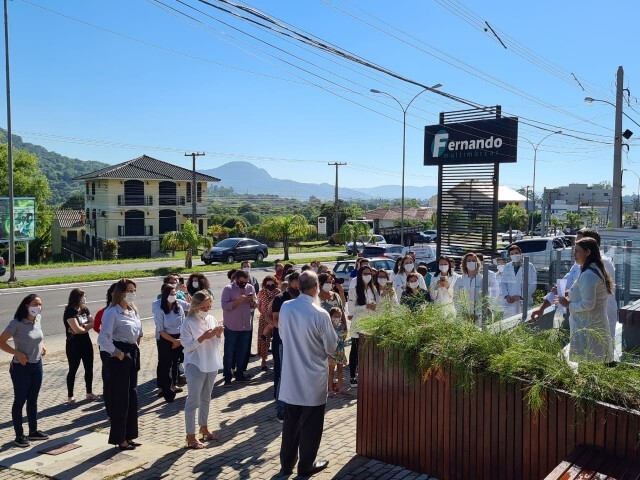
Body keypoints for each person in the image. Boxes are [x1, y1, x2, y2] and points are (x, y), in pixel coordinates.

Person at [278, 270, 338, 476]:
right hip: (312, 377)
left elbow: (283, 335)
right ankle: (306, 465)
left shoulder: (287, 307)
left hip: (291, 375)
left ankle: (286, 465)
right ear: (316, 288)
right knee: (311, 425)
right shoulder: (320, 314)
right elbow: (331, 347)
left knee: (291, 423)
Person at [97, 279, 143, 451]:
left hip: (132, 352)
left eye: (134, 290)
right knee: (120, 399)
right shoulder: (112, 312)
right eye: (129, 290)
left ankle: (129, 436)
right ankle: (119, 438)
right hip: (119, 356)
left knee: (132, 397)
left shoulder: (132, 310)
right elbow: (102, 338)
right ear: (120, 293)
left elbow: (137, 331)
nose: (133, 293)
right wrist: (118, 352)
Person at [0, 294, 49, 448]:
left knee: (33, 399)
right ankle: (19, 435)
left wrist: (43, 345)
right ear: (27, 305)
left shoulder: (38, 318)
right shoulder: (16, 323)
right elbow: (1, 342)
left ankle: (33, 431)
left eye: (40, 304)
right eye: (36, 303)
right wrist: (17, 353)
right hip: (21, 367)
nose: (39, 307)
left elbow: (38, 336)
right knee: (20, 400)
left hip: (37, 364)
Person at [556, 237, 614, 363]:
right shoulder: (593, 269)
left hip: (588, 326)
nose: (574, 255)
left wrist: (568, 304)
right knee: (593, 363)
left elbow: (588, 304)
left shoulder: (588, 274)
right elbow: (585, 292)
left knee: (588, 366)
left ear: (588, 252)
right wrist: (570, 293)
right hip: (592, 324)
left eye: (577, 251)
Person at [180, 291, 224, 449]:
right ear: (196, 306)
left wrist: (218, 335)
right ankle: (190, 436)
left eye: (209, 306)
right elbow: (187, 346)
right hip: (195, 364)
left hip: (211, 362)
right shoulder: (188, 322)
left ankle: (203, 428)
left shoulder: (211, 319)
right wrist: (203, 337)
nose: (207, 309)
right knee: (193, 400)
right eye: (204, 306)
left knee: (206, 397)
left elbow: (215, 344)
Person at [271, 272, 300, 421]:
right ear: (289, 285)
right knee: (283, 374)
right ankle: (280, 408)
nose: (298, 289)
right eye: (295, 286)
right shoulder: (280, 299)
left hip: (299, 342)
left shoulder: (303, 298)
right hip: (283, 341)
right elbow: (276, 321)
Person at [63, 288, 99, 404]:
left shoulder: (84, 309)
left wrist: (81, 328)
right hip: (73, 345)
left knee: (89, 368)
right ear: (76, 298)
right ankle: (70, 396)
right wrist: (82, 328)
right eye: (82, 296)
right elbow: (76, 330)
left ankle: (89, 392)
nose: (84, 299)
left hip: (86, 343)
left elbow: (93, 323)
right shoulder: (69, 312)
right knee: (73, 369)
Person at [221, 270, 256, 386]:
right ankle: (227, 376)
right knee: (229, 352)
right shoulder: (228, 289)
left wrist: (252, 301)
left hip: (246, 326)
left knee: (243, 352)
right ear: (236, 279)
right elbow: (224, 306)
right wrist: (238, 301)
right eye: (242, 282)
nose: (244, 284)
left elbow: (256, 304)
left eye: (246, 282)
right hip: (232, 326)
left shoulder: (250, 287)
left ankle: (239, 374)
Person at [348, 265, 379, 388]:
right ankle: (352, 376)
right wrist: (365, 306)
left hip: (370, 325)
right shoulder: (354, 290)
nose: (368, 276)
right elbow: (351, 309)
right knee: (355, 351)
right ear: (360, 275)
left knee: (368, 351)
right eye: (365, 274)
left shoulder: (373, 289)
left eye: (369, 274)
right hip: (358, 325)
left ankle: (366, 374)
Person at [154, 284, 185, 403]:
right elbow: (161, 330)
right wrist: (173, 341)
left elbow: (183, 325)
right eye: (171, 294)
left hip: (179, 338)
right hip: (166, 339)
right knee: (166, 365)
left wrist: (179, 340)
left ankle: (173, 385)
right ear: (165, 295)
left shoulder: (179, 308)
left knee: (175, 363)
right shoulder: (160, 310)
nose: (173, 296)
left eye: (174, 294)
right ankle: (167, 392)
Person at [94, 282, 118, 419]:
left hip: (122, 348)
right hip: (107, 350)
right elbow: (97, 326)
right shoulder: (105, 311)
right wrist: (107, 334)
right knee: (109, 379)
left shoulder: (129, 310)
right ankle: (110, 411)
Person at [499, 245, 537, 318]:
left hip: (523, 301)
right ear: (509, 256)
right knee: (508, 323)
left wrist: (520, 296)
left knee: (523, 323)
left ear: (521, 253)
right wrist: (506, 296)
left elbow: (533, 285)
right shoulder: (507, 266)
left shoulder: (529, 266)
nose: (514, 255)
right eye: (512, 254)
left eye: (516, 253)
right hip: (509, 302)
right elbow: (503, 283)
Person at [256, 275, 281, 371]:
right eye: (268, 285)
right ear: (264, 285)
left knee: (276, 339)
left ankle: (276, 360)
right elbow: (258, 306)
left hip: (276, 319)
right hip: (264, 318)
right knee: (263, 339)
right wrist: (264, 314)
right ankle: (263, 361)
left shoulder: (278, 293)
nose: (270, 286)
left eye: (272, 284)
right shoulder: (261, 293)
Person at [454, 253, 485, 322]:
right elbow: (455, 297)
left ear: (477, 263)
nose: (471, 262)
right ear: (465, 264)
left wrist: (477, 314)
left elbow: (486, 298)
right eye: (469, 261)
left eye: (473, 260)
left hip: (478, 316)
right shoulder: (460, 279)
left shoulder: (482, 279)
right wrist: (463, 313)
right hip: (463, 316)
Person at [241, 260, 260, 363]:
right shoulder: (236, 279)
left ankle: (248, 351)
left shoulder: (253, 279)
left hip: (251, 310)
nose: (246, 268)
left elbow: (257, 292)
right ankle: (242, 352)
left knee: (250, 330)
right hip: (240, 311)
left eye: (248, 266)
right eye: (244, 266)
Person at [327, 306, 348, 394]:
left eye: (339, 316)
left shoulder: (342, 326)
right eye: (335, 316)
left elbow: (344, 337)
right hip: (332, 352)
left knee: (340, 370)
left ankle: (341, 387)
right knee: (331, 371)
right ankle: (330, 389)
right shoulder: (328, 327)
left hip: (340, 351)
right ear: (331, 316)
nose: (338, 318)